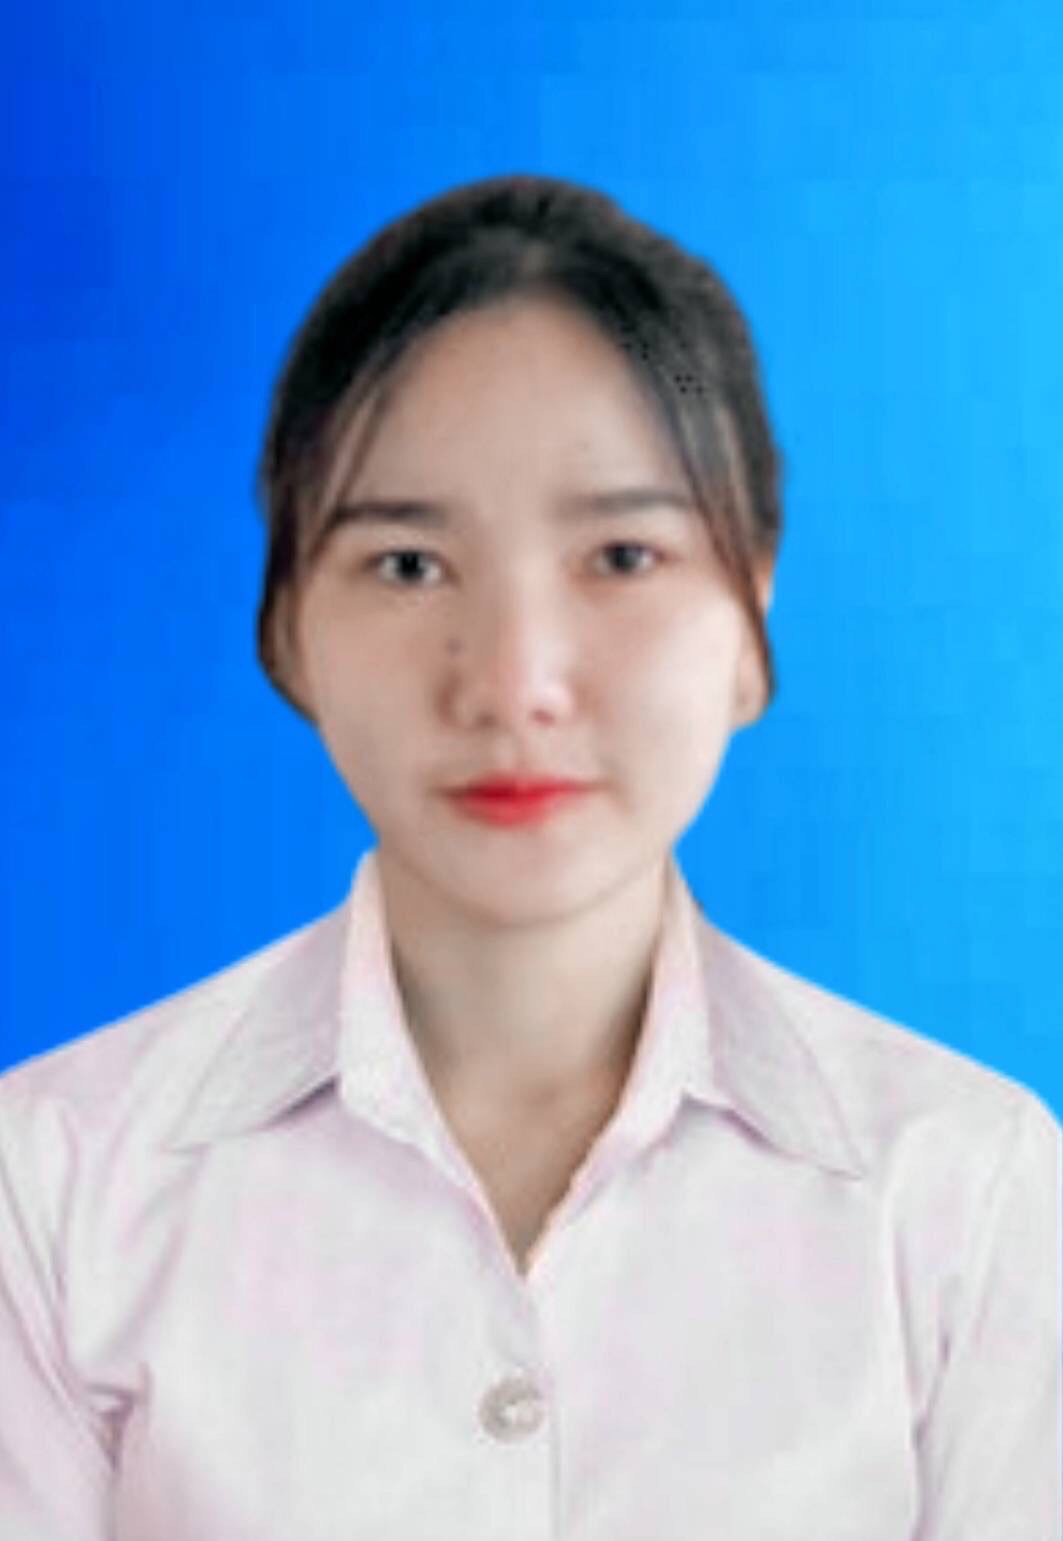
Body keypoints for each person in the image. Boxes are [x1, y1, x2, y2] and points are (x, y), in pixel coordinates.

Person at [0, 173, 1058, 1541]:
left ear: (752, 617)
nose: (513, 683)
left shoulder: (965, 1191)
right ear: (285, 630)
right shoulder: (54, 1183)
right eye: (407, 564)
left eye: (621, 555)